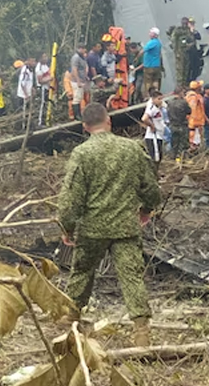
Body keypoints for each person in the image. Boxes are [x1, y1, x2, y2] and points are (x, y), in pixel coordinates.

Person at [57, 103, 160, 347]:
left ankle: (70, 318)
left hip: (93, 228)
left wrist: (66, 227)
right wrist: (146, 209)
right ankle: (141, 331)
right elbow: (151, 187)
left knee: (82, 272)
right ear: (109, 121)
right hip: (125, 226)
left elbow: (71, 197)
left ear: (85, 127)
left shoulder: (82, 154)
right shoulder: (132, 149)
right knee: (132, 277)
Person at [141, 91, 166, 164]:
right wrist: (152, 126)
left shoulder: (159, 108)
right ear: (153, 99)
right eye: (159, 99)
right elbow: (144, 118)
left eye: (161, 99)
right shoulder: (152, 108)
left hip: (159, 136)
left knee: (159, 157)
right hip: (153, 137)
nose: (161, 101)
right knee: (155, 158)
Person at [166, 89, 190, 161]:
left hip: (173, 125)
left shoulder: (170, 103)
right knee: (183, 143)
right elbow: (189, 111)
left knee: (174, 143)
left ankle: (173, 158)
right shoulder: (183, 102)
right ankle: (182, 158)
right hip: (182, 125)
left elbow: (168, 113)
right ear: (180, 93)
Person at [70, 45, 91, 110]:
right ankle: (77, 115)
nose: (84, 50)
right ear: (79, 49)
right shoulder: (76, 58)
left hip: (83, 80)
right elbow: (74, 69)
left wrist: (86, 76)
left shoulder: (82, 57)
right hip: (77, 81)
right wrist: (78, 81)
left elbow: (83, 68)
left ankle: (80, 113)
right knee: (77, 98)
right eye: (83, 49)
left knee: (82, 97)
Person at [186, 80, 205, 149]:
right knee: (194, 141)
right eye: (200, 86)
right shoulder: (192, 97)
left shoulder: (196, 96)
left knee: (197, 140)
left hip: (197, 122)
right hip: (194, 122)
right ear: (197, 88)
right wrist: (194, 122)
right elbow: (192, 110)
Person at [35, 57, 54, 126]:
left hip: (48, 88)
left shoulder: (45, 66)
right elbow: (40, 81)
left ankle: (47, 120)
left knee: (47, 103)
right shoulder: (39, 68)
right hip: (42, 88)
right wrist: (50, 78)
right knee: (42, 104)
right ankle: (40, 122)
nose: (46, 58)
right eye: (44, 57)